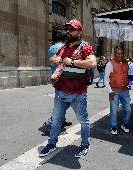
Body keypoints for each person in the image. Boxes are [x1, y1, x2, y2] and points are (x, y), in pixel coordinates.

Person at [39, 19, 97, 157]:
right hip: (61, 92)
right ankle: (51, 144)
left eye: (71, 29)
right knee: (56, 121)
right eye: (67, 29)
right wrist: (55, 59)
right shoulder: (63, 47)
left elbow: (92, 63)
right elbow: (52, 59)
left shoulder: (85, 47)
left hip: (78, 94)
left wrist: (72, 62)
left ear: (79, 32)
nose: (68, 32)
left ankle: (85, 144)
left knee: (83, 121)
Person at [43, 31, 72, 132]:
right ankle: (52, 121)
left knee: (60, 99)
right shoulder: (64, 47)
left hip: (55, 77)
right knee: (66, 101)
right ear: (65, 39)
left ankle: (61, 120)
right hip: (64, 78)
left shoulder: (51, 47)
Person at [104, 46, 131, 135]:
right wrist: (110, 91)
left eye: (121, 53)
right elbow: (105, 79)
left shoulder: (126, 63)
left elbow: (128, 76)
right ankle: (114, 126)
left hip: (125, 90)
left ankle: (124, 124)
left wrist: (129, 84)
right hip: (114, 91)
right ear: (114, 54)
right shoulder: (110, 64)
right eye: (118, 53)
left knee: (128, 109)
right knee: (114, 110)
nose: (120, 55)